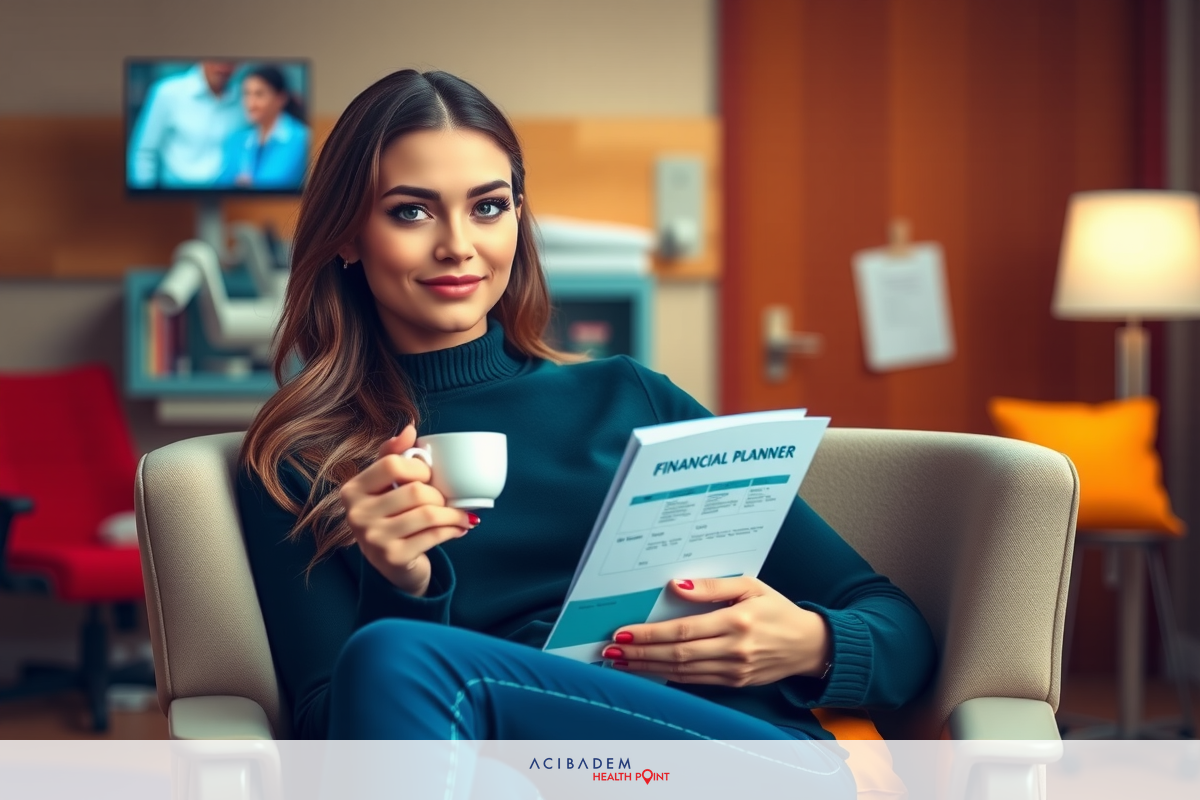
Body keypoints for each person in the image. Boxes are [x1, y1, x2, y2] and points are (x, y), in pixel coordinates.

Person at [236, 69, 936, 794]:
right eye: (411, 213)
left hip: (739, 764)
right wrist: (404, 588)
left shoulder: (629, 397)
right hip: (516, 775)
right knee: (399, 666)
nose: (458, 245)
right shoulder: (299, 458)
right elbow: (331, 740)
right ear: (348, 236)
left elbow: (901, 631)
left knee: (400, 661)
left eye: (487, 207)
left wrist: (808, 644)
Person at [127, 60, 245, 189]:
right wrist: (147, 200)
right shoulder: (167, 92)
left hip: (229, 198)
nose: (223, 67)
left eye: (231, 61)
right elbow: (145, 153)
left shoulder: (245, 98)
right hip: (175, 199)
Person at [220, 65, 311, 190]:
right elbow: (220, 185)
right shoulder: (236, 140)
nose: (251, 103)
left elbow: (278, 182)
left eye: (259, 94)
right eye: (246, 94)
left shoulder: (302, 139)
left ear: (280, 98)